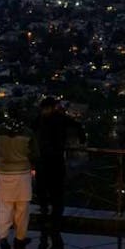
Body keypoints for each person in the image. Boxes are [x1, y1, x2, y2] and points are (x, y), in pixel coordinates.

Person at [31, 97, 86, 231]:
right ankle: (54, 218)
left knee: (45, 189)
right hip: (54, 159)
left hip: (45, 159)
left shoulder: (42, 119)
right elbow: (78, 126)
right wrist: (82, 139)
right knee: (55, 190)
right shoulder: (59, 118)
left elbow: (31, 131)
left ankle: (46, 216)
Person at [0, 119, 36, 249]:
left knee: (4, 208)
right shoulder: (28, 133)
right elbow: (35, 153)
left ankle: (3, 239)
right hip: (23, 174)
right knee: (22, 210)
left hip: (5, 173)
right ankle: (19, 238)